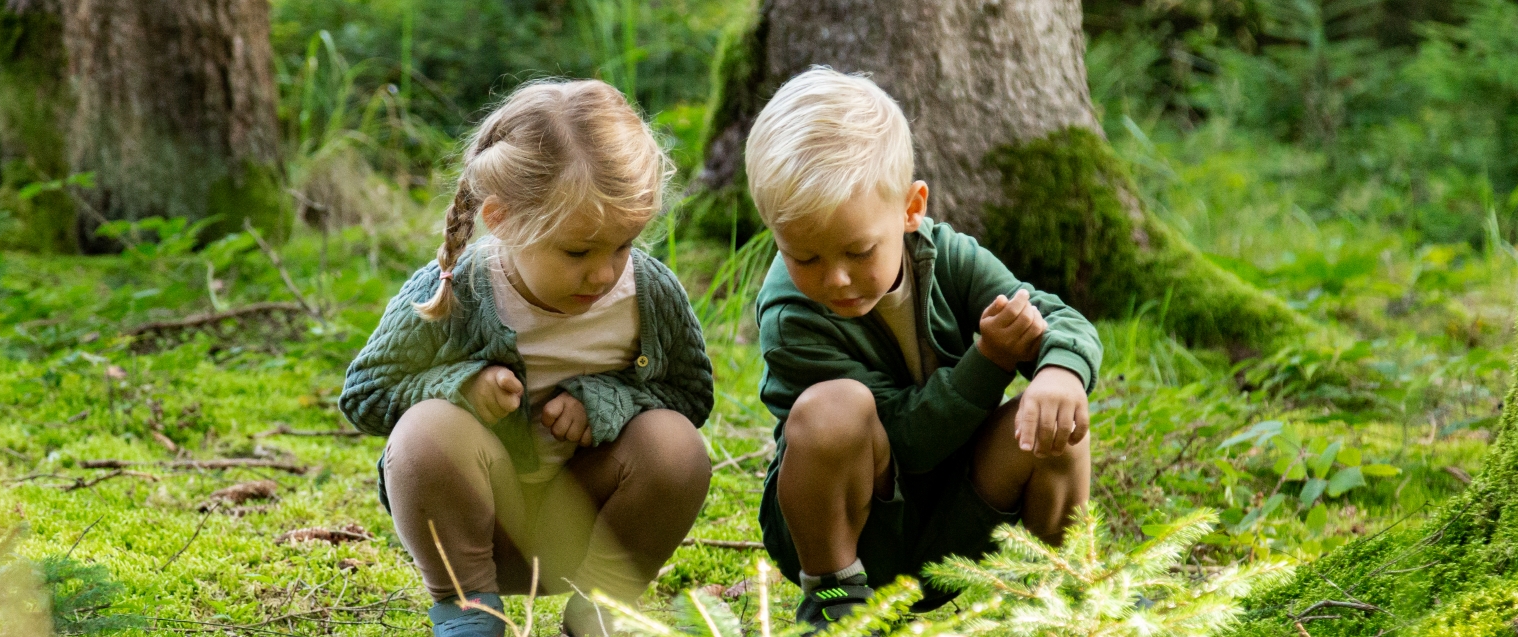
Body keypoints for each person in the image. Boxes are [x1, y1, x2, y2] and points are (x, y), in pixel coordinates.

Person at [339, 79, 714, 637]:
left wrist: (605, 402)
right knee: (427, 431)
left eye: (623, 245)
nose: (604, 273)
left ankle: (598, 614)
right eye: (578, 250)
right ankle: (470, 615)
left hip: (592, 523)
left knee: (677, 445)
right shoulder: (455, 289)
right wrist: (459, 385)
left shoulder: (648, 295)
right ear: (504, 219)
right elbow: (365, 393)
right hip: (474, 532)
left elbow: (690, 396)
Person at [744, 67, 1103, 632]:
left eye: (859, 251)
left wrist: (1059, 370)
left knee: (1055, 419)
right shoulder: (792, 316)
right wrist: (989, 361)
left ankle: (1057, 593)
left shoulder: (948, 258)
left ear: (911, 210)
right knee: (833, 409)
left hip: (960, 515)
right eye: (805, 258)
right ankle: (834, 600)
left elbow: (1054, 318)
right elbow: (907, 444)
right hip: (859, 532)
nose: (835, 279)